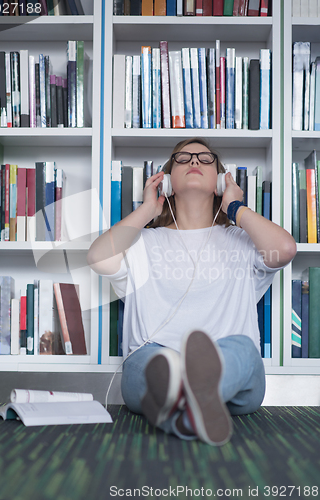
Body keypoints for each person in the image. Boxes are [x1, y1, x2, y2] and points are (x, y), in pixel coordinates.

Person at [87, 137, 297, 446]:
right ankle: (194, 406)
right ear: (168, 181)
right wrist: (148, 209)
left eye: (204, 158)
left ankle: (184, 400)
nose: (195, 161)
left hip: (233, 371)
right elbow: (97, 258)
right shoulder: (143, 243)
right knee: (148, 365)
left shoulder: (242, 240)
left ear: (220, 182)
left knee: (243, 351)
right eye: (183, 158)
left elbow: (285, 248)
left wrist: (235, 206)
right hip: (154, 362)